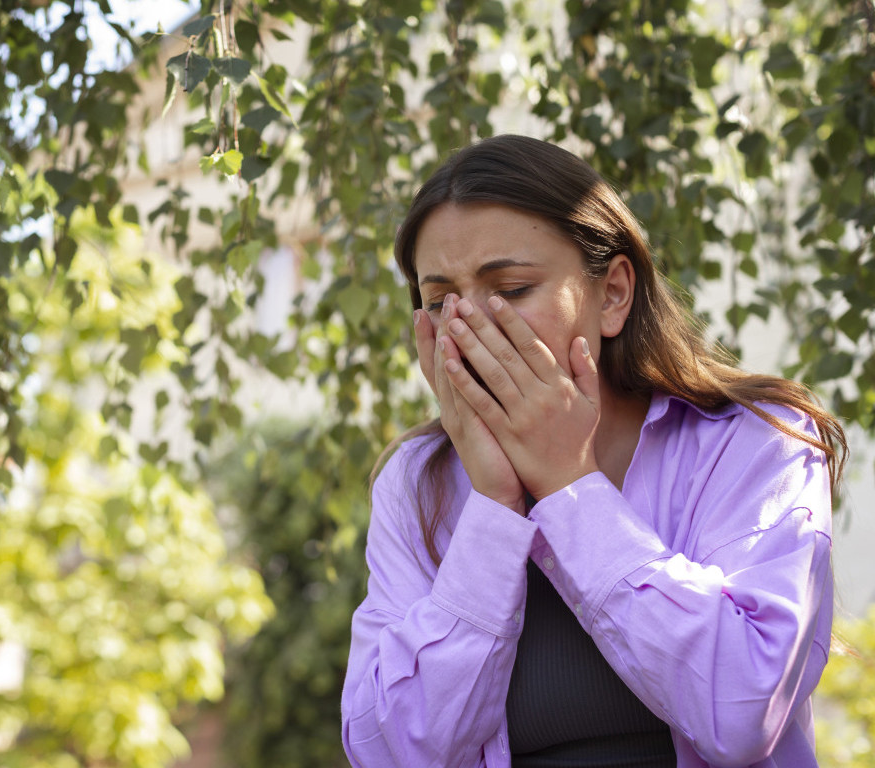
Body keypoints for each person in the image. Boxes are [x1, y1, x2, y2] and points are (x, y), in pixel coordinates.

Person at [340, 135, 847, 767]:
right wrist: (494, 510)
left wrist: (570, 487)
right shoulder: (419, 482)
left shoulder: (757, 442)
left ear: (612, 294)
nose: (468, 326)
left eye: (512, 288)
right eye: (441, 301)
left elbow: (746, 706)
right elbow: (386, 751)